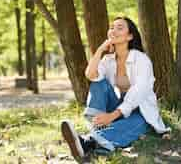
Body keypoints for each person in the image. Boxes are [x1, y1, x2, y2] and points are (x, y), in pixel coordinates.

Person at [60, 17, 170, 162]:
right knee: (99, 83)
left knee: (137, 123)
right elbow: (90, 75)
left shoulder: (142, 60)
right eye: (112, 27)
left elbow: (138, 92)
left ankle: (88, 142)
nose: (113, 30)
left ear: (129, 36)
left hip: (140, 110)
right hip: (120, 105)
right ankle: (97, 127)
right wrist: (100, 49)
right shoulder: (108, 60)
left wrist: (112, 116)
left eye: (119, 27)